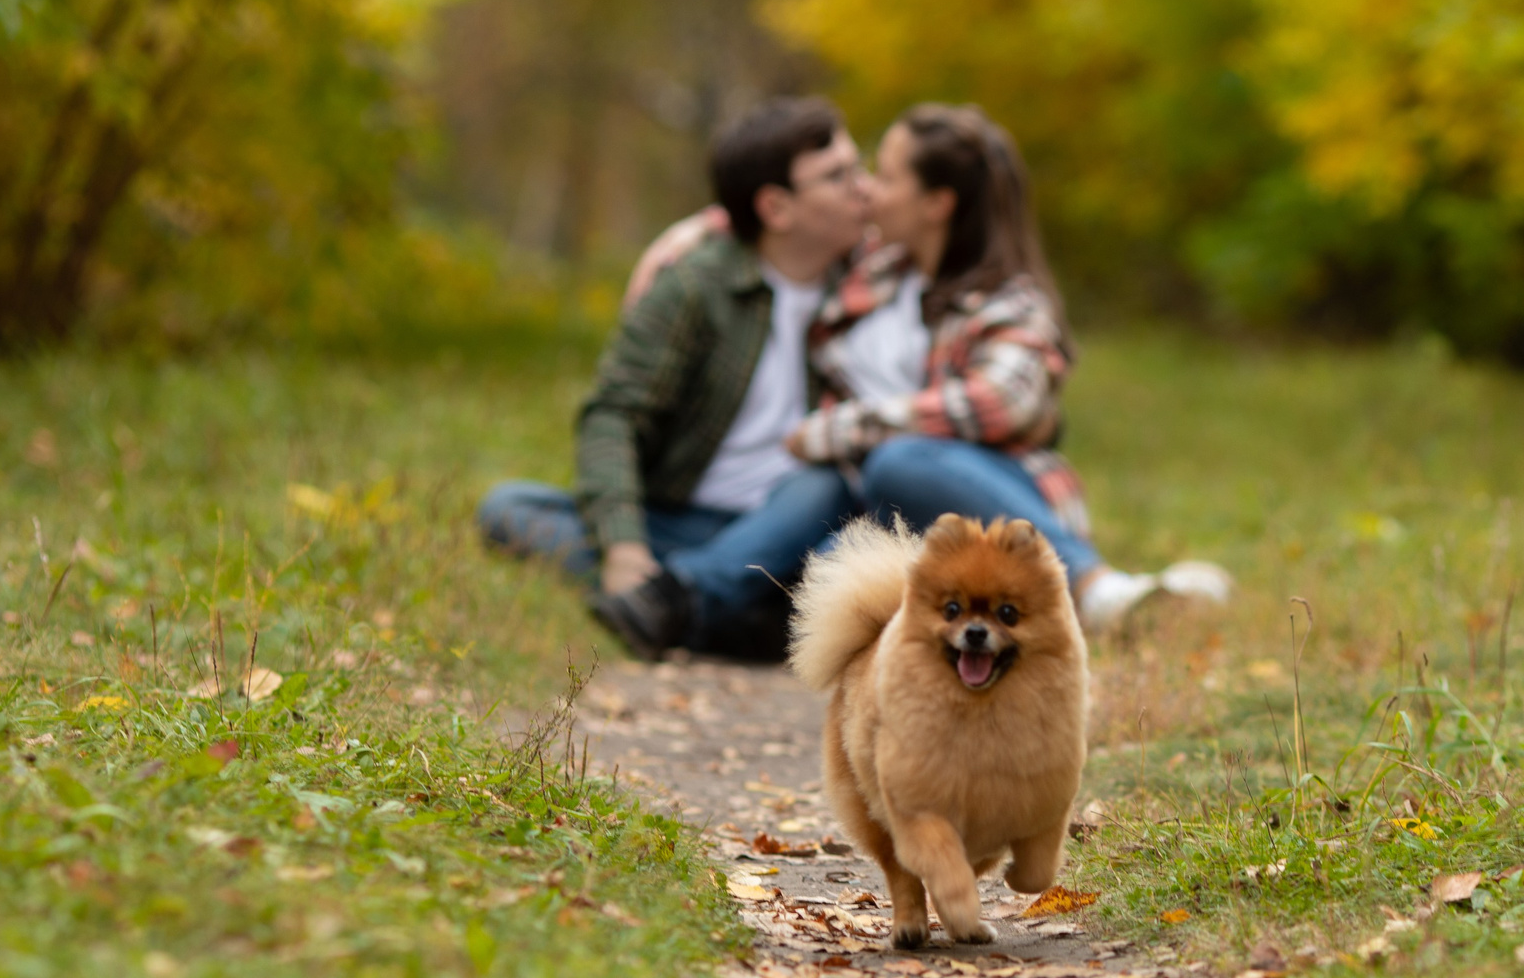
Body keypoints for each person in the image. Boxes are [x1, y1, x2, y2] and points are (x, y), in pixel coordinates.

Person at [627, 103, 1229, 632]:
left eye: (884, 176)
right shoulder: (874, 268)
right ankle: (688, 600)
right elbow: (786, 215)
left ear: (936, 203)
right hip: (878, 516)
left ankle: (1093, 588)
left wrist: (847, 428)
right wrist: (697, 231)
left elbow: (1000, 402)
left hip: (979, 509)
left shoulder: (1010, 303)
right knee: (822, 564)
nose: (865, 189)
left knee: (901, 461)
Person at [474, 96, 871, 659]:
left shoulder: (877, 286)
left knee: (826, 487)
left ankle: (673, 600)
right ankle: (731, 608)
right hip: (684, 521)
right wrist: (624, 547)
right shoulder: (694, 286)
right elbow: (613, 416)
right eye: (839, 176)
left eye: (859, 167)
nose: (866, 187)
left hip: (800, 527)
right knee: (508, 507)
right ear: (776, 209)